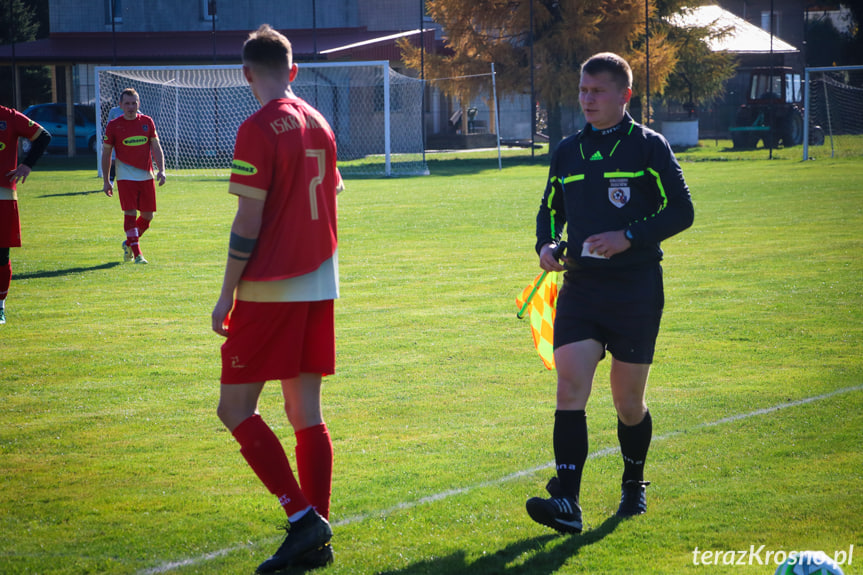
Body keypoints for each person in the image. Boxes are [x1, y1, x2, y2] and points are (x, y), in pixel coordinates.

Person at [526, 52, 694, 533]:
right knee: (569, 386)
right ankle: (568, 503)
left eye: (597, 92)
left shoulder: (649, 147)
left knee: (627, 403)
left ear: (625, 95)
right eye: (583, 91)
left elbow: (681, 211)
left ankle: (633, 483)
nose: (587, 100)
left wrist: (629, 236)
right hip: (580, 286)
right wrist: (546, 245)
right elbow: (549, 211)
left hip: (635, 289)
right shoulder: (566, 151)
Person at [211, 24, 343, 574]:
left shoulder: (258, 127)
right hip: (321, 278)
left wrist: (225, 295)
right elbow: (333, 191)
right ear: (293, 71)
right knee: (304, 412)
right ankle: (318, 533)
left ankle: (301, 518)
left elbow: (249, 219)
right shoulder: (320, 121)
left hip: (272, 287)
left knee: (234, 408)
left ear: (246, 73)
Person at [0, 105, 52, 325]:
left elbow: (43, 137)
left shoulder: (8, 117)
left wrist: (27, 164)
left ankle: (0, 306)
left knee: (1, 256)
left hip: (3, 197)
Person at [101, 88, 166, 264]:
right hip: (124, 176)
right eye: (127, 103)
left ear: (139, 104)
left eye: (134, 103)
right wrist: (107, 181)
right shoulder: (114, 125)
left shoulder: (147, 121)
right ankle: (138, 255)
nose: (131, 107)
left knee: (148, 216)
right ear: (120, 105)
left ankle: (129, 243)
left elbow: (156, 147)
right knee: (129, 212)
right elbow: (106, 154)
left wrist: (162, 169)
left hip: (146, 176)